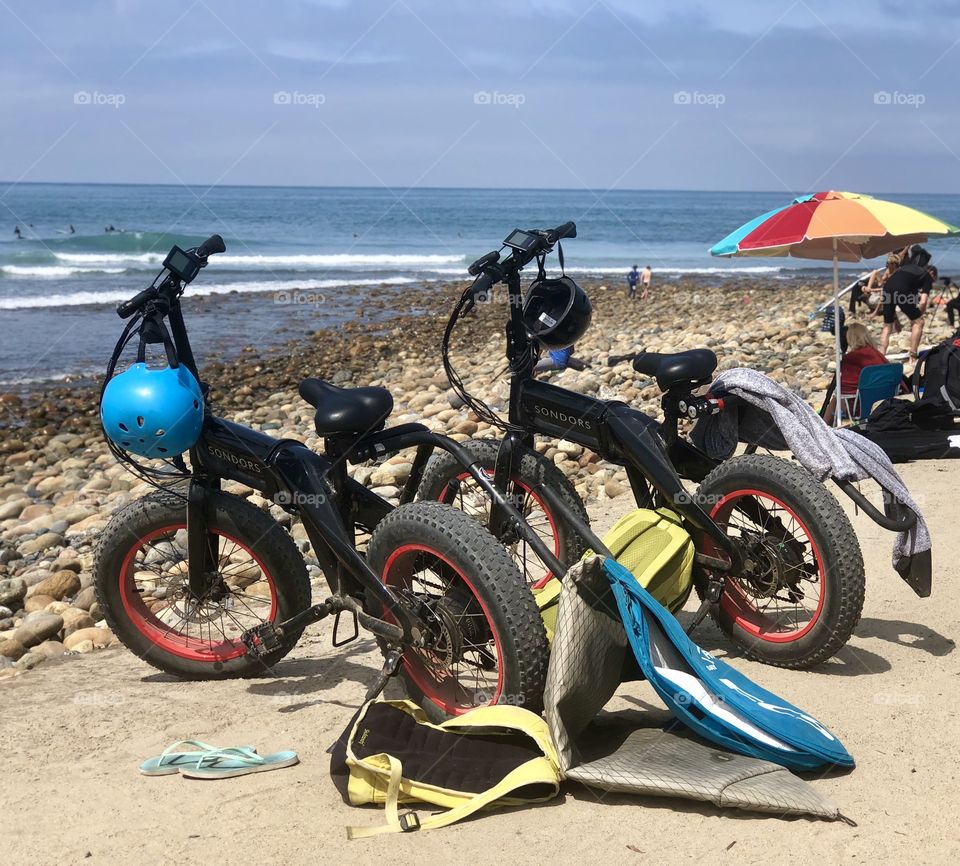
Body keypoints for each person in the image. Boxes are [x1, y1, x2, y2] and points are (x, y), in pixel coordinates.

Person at [823, 322, 895, 424]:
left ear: (850, 338)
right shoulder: (877, 354)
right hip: (884, 401)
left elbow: (845, 388)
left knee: (836, 397)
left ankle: (824, 426)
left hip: (861, 407)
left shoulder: (851, 358)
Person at [878, 245, 932, 360]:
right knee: (919, 323)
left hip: (887, 287)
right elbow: (923, 301)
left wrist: (895, 320)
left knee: (887, 326)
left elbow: (896, 292)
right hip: (901, 289)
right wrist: (918, 317)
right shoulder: (926, 275)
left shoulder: (903, 268)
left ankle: (880, 357)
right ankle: (913, 356)